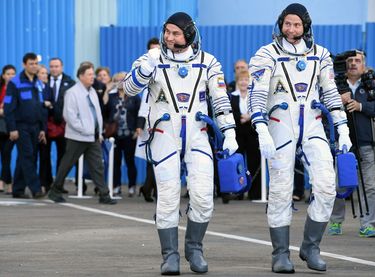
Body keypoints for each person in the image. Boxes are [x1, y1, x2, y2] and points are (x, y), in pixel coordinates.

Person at [123, 12, 238, 275]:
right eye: (167, 32)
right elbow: (128, 89)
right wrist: (144, 70)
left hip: (197, 135)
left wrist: (229, 132)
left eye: (176, 33)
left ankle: (194, 248)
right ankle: (170, 255)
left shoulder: (208, 62)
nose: (169, 38)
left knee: (202, 195)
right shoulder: (152, 58)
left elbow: (220, 100)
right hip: (164, 136)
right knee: (168, 196)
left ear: (189, 35)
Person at [248, 3, 352, 273]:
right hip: (280, 125)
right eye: (287, 24)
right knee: (281, 190)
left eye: (297, 24)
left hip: (313, 126)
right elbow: (256, 94)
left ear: (305, 26)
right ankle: (280, 253)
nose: (291, 29)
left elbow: (330, 93)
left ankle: (311, 246)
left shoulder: (320, 55)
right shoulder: (266, 54)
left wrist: (342, 128)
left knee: (328, 186)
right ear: (281, 24)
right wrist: (260, 128)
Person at [328, 51, 375, 238]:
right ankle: (335, 222)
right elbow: (320, 106)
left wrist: (361, 107)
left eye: (358, 61)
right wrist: (337, 101)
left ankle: (368, 224)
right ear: (344, 65)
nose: (354, 64)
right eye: (350, 61)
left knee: (370, 185)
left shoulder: (371, 85)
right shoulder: (334, 85)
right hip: (342, 145)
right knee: (339, 184)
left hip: (367, 143)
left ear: (363, 64)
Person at [47, 63, 117, 205]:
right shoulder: (72, 93)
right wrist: (85, 130)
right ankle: (55, 191)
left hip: (93, 137)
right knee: (67, 164)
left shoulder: (92, 92)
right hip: (77, 137)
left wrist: (99, 131)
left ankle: (104, 195)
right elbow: (70, 116)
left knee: (98, 166)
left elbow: (97, 114)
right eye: (89, 75)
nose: (93, 77)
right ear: (81, 76)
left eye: (93, 74)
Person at [4, 53, 47, 199]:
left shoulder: (38, 82)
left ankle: (17, 189)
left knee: (26, 157)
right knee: (27, 155)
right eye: (31, 63)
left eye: (36, 63)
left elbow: (41, 107)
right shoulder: (15, 83)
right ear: (24, 65)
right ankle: (35, 189)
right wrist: (12, 128)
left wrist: (42, 128)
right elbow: (9, 107)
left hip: (35, 126)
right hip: (20, 126)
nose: (34, 66)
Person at [39, 58, 76, 193]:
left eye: (56, 66)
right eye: (51, 66)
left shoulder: (70, 82)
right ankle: (46, 183)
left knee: (63, 156)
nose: (53, 69)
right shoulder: (43, 80)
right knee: (44, 156)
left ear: (62, 66)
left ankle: (59, 184)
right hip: (46, 125)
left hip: (62, 125)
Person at [229, 69, 261, 200]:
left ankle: (255, 193)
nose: (243, 82)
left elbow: (259, 110)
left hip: (252, 134)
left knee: (254, 162)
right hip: (238, 134)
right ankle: (239, 192)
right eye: (241, 80)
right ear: (237, 82)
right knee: (239, 164)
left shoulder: (254, 96)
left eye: (246, 80)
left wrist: (249, 117)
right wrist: (241, 117)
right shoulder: (232, 96)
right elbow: (229, 113)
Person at [106, 75, 140, 197]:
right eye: (116, 80)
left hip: (130, 134)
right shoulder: (110, 97)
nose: (120, 82)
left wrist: (137, 129)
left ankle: (132, 186)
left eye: (122, 80)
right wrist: (106, 90)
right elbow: (103, 108)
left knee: (130, 161)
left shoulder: (134, 97)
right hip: (114, 135)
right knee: (115, 162)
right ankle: (116, 186)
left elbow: (139, 113)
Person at [138, 37, 161, 202]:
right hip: (151, 124)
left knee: (161, 159)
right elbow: (144, 103)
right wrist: (141, 124)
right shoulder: (144, 72)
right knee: (151, 159)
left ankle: (151, 190)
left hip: (166, 123)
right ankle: (149, 189)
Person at [0, 64, 16, 194]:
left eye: (13, 74)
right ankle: (6, 182)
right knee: (3, 155)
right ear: (3, 75)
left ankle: (6, 183)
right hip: (0, 126)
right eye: (8, 74)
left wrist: (4, 109)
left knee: (7, 154)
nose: (11, 76)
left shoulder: (17, 89)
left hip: (11, 127)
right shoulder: (1, 89)